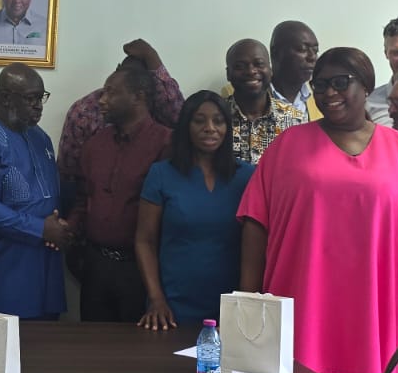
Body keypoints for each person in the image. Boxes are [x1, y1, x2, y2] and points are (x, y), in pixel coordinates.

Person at [239, 48, 398, 373]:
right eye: (320, 85)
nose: (329, 93)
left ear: (366, 85)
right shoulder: (287, 146)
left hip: (379, 315)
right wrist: (249, 307)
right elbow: (255, 225)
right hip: (302, 311)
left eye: (340, 82)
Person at [137, 91, 255, 329]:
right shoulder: (161, 174)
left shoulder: (248, 177)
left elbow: (256, 245)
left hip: (232, 307)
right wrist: (156, 299)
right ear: (186, 127)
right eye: (199, 121)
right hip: (172, 309)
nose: (210, 128)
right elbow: (144, 241)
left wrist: (247, 300)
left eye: (218, 121)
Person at [0, 65, 68, 320]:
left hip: (45, 266)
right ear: (6, 98)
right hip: (2, 271)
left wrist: (59, 227)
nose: (38, 106)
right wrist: (40, 229)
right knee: (1, 341)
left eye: (41, 98)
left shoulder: (41, 138)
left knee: (49, 341)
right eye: (31, 98)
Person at [68, 64, 172, 322]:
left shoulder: (166, 143)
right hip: (95, 265)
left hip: (140, 269)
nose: (102, 100)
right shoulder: (95, 145)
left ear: (138, 96)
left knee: (140, 343)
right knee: (91, 340)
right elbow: (83, 198)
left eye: (111, 93)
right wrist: (66, 230)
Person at [57, 38, 184, 203]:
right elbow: (68, 173)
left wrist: (152, 57)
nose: (103, 100)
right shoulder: (85, 111)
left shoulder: (160, 111)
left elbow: (181, 117)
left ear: (142, 93)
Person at [219, 38, 301, 163]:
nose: (251, 71)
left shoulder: (294, 119)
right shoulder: (216, 117)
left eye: (259, 64)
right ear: (228, 74)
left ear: (270, 70)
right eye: (240, 66)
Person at [268, 20, 319, 120]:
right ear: (276, 52)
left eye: (315, 50)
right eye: (302, 49)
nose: (312, 57)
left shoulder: (320, 100)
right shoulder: (243, 98)